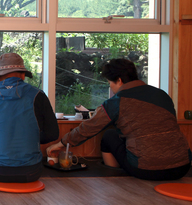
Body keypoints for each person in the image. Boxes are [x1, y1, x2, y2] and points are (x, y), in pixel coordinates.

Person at [46, 58, 191, 181]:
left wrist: (61, 143)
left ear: (119, 80)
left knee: (110, 135)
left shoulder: (117, 102)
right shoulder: (162, 94)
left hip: (147, 169)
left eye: (110, 83)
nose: (111, 87)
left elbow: (88, 128)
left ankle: (114, 177)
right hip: (182, 166)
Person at [0, 53, 59, 183]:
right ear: (22, 75)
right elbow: (52, 134)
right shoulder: (39, 95)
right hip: (32, 173)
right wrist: (30, 136)